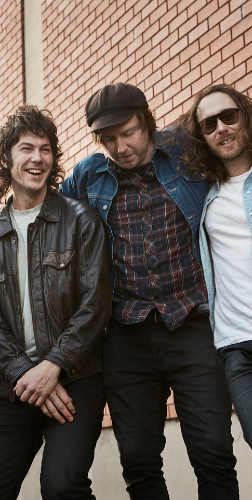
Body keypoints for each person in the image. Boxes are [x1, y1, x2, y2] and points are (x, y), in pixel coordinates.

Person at [61, 82, 239, 500]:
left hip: (193, 326)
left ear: (147, 122)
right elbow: (40, 212)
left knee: (213, 452)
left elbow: (235, 147)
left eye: (128, 133)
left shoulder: (186, 148)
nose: (121, 147)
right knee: (139, 462)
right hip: (127, 337)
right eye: (109, 139)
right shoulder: (89, 175)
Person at [0, 105, 111, 500]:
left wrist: (54, 364)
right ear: (6, 159)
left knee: (62, 486)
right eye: (26, 148)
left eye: (45, 149)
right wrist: (28, 374)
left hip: (76, 378)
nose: (37, 158)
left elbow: (95, 304)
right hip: (14, 385)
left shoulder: (81, 220)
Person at [174, 84, 252, 449]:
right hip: (235, 345)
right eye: (209, 124)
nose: (221, 128)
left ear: (245, 117)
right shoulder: (203, 194)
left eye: (229, 116)